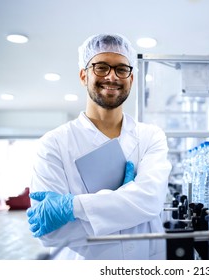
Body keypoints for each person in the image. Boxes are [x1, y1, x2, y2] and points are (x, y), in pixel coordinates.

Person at [26, 34, 172, 260]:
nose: (112, 76)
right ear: (84, 75)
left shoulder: (151, 136)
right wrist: (129, 207)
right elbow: (50, 233)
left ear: (131, 79)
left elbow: (150, 200)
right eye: (101, 67)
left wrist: (73, 207)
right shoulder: (53, 144)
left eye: (121, 69)